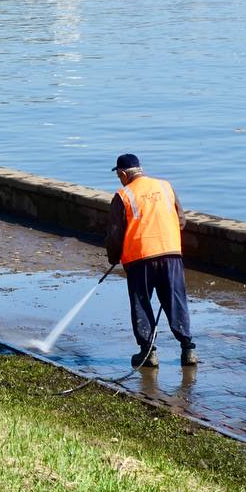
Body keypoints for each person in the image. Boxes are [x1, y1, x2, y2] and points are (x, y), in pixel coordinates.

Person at [105, 153, 198, 368]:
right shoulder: (166, 187)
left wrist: (113, 258)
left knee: (141, 303)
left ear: (122, 173)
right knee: (175, 300)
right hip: (171, 253)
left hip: (140, 257)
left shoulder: (123, 195)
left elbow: (115, 234)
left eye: (118, 175)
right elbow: (181, 220)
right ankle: (188, 350)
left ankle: (148, 353)